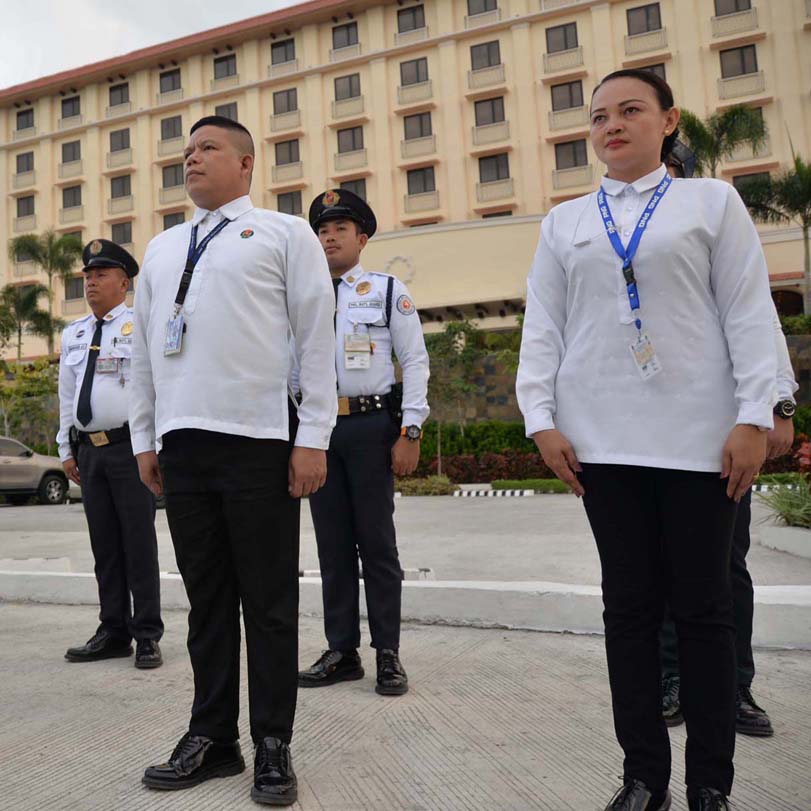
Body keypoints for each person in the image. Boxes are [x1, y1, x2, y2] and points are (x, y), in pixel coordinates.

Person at [516, 69, 777, 811]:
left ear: (668, 121)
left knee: (703, 610)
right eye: (597, 116)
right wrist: (540, 418)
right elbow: (544, 329)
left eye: (629, 110)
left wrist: (754, 413)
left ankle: (708, 784)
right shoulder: (564, 222)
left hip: (700, 442)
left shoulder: (709, 202)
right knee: (627, 612)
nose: (610, 125)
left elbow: (746, 311)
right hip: (601, 444)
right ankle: (643, 778)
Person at [130, 115, 337, 807]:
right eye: (186, 151)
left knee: (269, 602)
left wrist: (313, 436)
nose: (191, 160)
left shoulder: (283, 233)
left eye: (207, 149)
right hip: (183, 444)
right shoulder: (161, 247)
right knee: (207, 602)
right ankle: (213, 737)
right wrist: (145, 437)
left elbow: (315, 337)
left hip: (258, 440)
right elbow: (142, 355)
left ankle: (272, 741)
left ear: (246, 163)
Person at [659, 143, 798, 738]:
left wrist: (779, 404)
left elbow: (759, 319)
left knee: (724, 563)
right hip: (648, 428)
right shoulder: (623, 244)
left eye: (670, 176)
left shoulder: (716, 226)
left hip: (721, 427)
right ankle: (670, 679)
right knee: (657, 565)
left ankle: (734, 684)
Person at [297, 189, 430, 697]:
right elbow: (292, 365)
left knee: (377, 545)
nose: (329, 237)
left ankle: (388, 653)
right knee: (331, 545)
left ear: (362, 237)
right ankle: (342, 650)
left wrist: (410, 430)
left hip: (371, 428)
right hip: (318, 431)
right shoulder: (303, 297)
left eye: (340, 229)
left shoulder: (385, 289)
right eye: (322, 230)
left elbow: (414, 361)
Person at [57, 239, 163, 669]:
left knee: (139, 543)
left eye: (100, 275)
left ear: (124, 281)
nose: (91, 282)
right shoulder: (75, 333)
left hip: (129, 448)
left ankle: (148, 635)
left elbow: (154, 388)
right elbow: (67, 395)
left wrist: (152, 446)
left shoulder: (140, 327)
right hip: (91, 453)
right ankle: (113, 629)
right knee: (104, 546)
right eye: (87, 276)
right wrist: (66, 448)